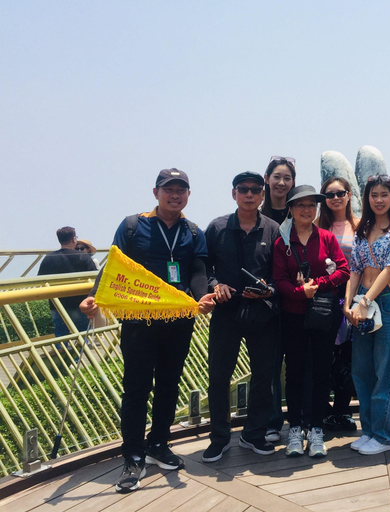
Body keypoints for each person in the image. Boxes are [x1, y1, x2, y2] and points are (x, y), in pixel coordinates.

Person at [80, 168, 216, 493]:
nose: (175, 194)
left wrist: (202, 296)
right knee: (137, 388)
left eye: (181, 189)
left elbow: (198, 271)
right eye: (169, 188)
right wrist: (94, 297)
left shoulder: (194, 232)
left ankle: (158, 445)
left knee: (169, 385)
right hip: (139, 321)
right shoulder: (132, 225)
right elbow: (113, 266)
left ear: (188, 195)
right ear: (155, 192)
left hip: (179, 321)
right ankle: (133, 456)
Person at [202, 171, 281, 462]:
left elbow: (280, 273)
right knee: (219, 377)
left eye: (255, 190)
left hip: (262, 312)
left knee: (263, 376)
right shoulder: (217, 227)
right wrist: (215, 286)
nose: (249, 194)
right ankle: (220, 437)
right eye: (243, 189)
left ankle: (254, 434)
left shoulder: (273, 229)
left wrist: (268, 290)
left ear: (263, 195)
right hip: (226, 311)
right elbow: (204, 267)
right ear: (234, 193)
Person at [273, 185, 350, 457]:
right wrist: (297, 292)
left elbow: (344, 270)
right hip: (292, 315)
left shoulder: (326, 238)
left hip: (322, 314)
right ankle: (295, 428)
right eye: (301, 205)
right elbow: (279, 280)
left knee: (321, 372)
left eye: (311, 205)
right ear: (291, 210)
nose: (307, 210)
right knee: (293, 372)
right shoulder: (282, 242)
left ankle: (316, 428)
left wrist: (317, 285)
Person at [344, 174, 390, 455]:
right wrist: (348, 303)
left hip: (383, 301)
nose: (379, 200)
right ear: (367, 198)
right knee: (363, 369)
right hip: (361, 303)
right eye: (373, 195)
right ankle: (369, 430)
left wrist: (364, 301)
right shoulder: (362, 228)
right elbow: (354, 269)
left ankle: (386, 435)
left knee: (387, 370)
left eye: (384, 194)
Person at [316, 177, 359, 433]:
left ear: (349, 194)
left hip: (353, 299)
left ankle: (342, 411)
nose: (335, 198)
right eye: (329, 194)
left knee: (349, 358)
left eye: (340, 193)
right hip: (325, 299)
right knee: (324, 357)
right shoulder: (317, 226)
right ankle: (325, 410)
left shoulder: (359, 225)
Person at [260, 156, 297, 443]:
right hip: (267, 302)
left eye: (287, 178)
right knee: (270, 364)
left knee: (298, 362)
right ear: (267, 179)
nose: (282, 183)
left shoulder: (300, 213)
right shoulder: (257, 216)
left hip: (296, 300)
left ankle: (302, 418)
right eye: (277, 177)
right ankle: (272, 421)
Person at [39, 227, 98, 337]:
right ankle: (80, 353)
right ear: (74, 239)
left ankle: (61, 352)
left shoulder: (49, 258)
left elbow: (41, 279)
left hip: (57, 303)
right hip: (79, 302)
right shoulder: (83, 257)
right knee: (83, 333)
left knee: (61, 332)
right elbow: (95, 279)